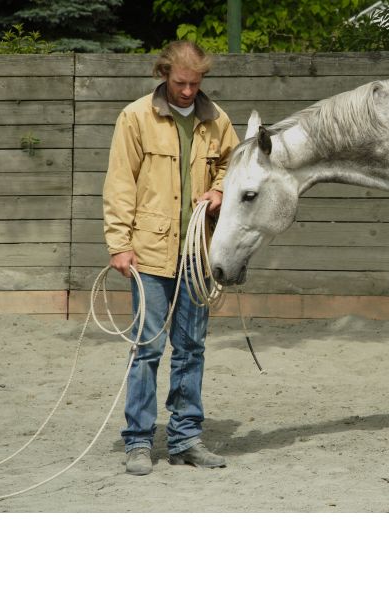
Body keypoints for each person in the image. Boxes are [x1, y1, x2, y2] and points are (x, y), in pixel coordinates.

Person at [103, 41, 239, 476]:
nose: (186, 91)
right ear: (164, 74)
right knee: (147, 349)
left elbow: (234, 167)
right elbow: (121, 182)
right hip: (149, 254)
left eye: (194, 83)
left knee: (192, 349)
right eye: (180, 83)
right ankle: (138, 442)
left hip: (197, 255)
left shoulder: (218, 121)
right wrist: (119, 243)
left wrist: (219, 190)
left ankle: (185, 439)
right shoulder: (136, 116)